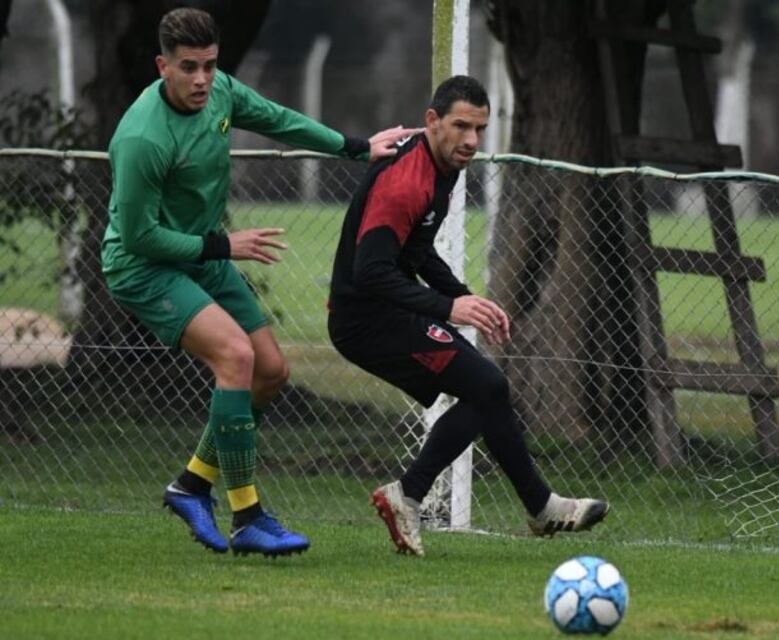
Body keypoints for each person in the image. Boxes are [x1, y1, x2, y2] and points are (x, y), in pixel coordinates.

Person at [101, 7, 418, 557]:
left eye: (209, 65)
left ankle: (191, 485)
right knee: (236, 358)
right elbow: (138, 237)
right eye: (188, 67)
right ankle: (247, 517)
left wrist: (355, 146)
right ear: (162, 67)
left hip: (203, 253)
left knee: (270, 372)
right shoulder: (141, 138)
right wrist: (224, 246)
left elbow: (277, 118)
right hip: (143, 267)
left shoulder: (220, 91)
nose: (202, 79)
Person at [327, 75, 609, 556]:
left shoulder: (442, 163)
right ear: (432, 121)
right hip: (366, 321)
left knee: (488, 388)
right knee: (487, 385)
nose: (472, 141)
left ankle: (535, 506)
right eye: (461, 126)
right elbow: (370, 272)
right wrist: (449, 306)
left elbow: (416, 250)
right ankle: (423, 496)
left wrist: (464, 297)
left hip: (388, 310)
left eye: (480, 128)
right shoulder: (405, 182)